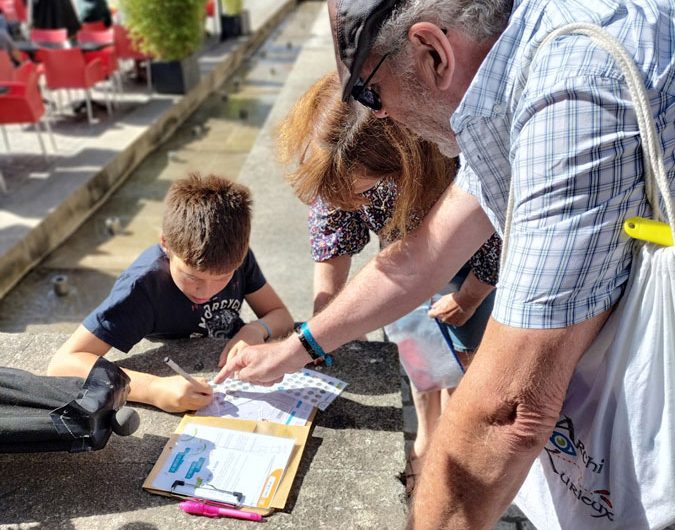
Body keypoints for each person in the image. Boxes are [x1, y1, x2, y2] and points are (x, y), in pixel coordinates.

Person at [217, 0, 675, 528]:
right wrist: (299, 347)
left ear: (433, 52)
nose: (379, 114)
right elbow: (420, 258)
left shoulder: (571, 99)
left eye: (370, 91)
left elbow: (510, 411)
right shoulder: (521, 66)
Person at [278, 71, 500, 492]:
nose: (353, 199)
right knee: (418, 350)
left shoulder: (453, 155)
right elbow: (333, 236)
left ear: (397, 163)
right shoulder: (341, 154)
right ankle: (426, 435)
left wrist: (470, 297)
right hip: (402, 264)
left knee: (462, 363)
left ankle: (446, 448)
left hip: (476, 271)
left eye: (359, 190)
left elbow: (497, 240)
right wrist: (324, 321)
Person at [48, 173, 294, 413]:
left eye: (223, 278)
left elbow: (280, 315)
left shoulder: (236, 258)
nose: (206, 291)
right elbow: (64, 363)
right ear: (166, 243)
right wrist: (153, 389)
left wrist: (255, 330)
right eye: (192, 277)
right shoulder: (141, 288)